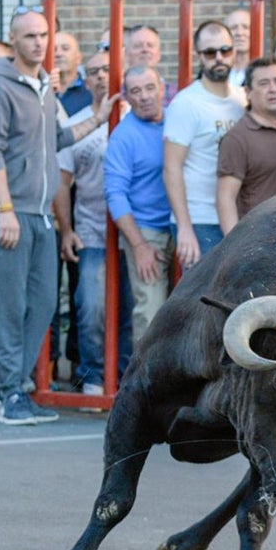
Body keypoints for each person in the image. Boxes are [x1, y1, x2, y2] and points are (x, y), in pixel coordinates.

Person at [0, 5, 117, 426]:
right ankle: (7, 393)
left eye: (43, 35)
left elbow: (56, 138)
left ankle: (17, 390)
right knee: (9, 306)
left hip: (39, 216)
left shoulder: (42, 85)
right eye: (30, 36)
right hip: (9, 213)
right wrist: (4, 209)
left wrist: (98, 118)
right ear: (14, 40)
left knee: (39, 307)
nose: (39, 43)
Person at [55, 49, 133, 399]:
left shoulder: (141, 116)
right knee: (91, 309)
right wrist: (67, 230)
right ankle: (93, 378)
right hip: (91, 231)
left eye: (109, 69)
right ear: (85, 81)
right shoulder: (79, 123)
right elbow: (62, 180)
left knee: (133, 310)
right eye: (95, 72)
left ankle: (127, 380)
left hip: (136, 235)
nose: (103, 76)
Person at [163, 20, 245, 269]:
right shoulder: (186, 103)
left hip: (236, 218)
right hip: (200, 220)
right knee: (205, 302)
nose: (219, 58)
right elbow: (171, 168)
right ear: (199, 56)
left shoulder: (241, 98)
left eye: (225, 50)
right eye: (210, 53)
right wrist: (185, 228)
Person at [104, 64, 174, 343]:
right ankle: (150, 385)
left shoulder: (176, 121)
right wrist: (139, 246)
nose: (144, 96)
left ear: (162, 89)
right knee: (151, 314)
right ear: (127, 98)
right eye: (135, 91)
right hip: (147, 233)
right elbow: (115, 194)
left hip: (183, 226)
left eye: (149, 88)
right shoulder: (124, 136)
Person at [216, 56, 276, 230]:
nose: (273, 89)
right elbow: (226, 198)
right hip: (260, 239)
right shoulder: (237, 138)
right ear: (248, 92)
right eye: (264, 83)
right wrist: (234, 246)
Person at [125, 24, 177, 106]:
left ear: (159, 54)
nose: (145, 49)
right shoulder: (117, 96)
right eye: (138, 46)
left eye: (150, 45)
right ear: (127, 55)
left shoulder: (177, 95)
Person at [53, 31, 92, 116]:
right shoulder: (38, 91)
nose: (58, 54)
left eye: (65, 48)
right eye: (53, 49)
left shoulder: (91, 90)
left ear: (78, 58)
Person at [225, 8, 252, 92]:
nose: (240, 33)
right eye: (233, 28)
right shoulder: (215, 69)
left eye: (246, 27)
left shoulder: (264, 71)